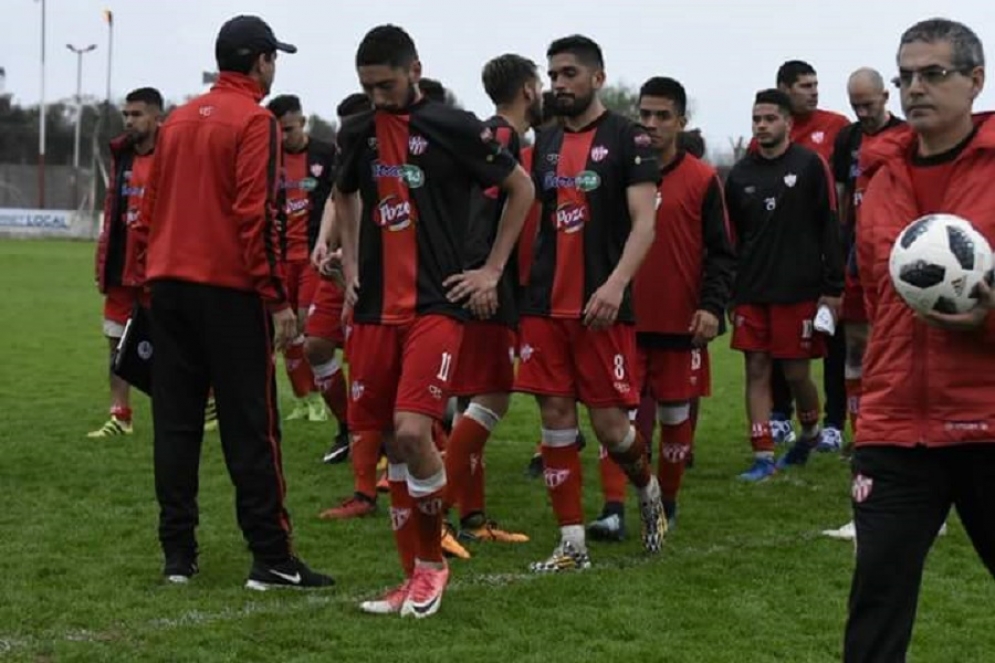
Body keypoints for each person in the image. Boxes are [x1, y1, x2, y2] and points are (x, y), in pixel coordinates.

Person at [334, 25, 533, 618]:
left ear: (414, 70)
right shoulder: (358, 131)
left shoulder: (453, 126)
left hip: (435, 304)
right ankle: (411, 576)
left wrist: (492, 270)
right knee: (392, 442)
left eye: (387, 85)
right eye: (368, 88)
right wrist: (350, 263)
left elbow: (521, 188)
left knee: (414, 431)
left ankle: (432, 566)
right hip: (376, 308)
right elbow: (343, 194)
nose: (378, 97)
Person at [141, 15, 333, 590]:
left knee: (175, 425)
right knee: (252, 426)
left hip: (168, 287)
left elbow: (149, 210)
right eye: (273, 58)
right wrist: (277, 299)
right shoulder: (255, 119)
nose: (274, 69)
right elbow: (257, 214)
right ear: (259, 61)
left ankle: (178, 555)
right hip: (229, 292)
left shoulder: (177, 119)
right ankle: (271, 556)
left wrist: (151, 281)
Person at [845, 18, 995, 661]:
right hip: (895, 427)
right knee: (876, 600)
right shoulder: (881, 177)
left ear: (975, 80)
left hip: (987, 421)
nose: (915, 88)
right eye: (906, 76)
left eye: (933, 74)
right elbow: (878, 298)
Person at [515, 34, 666, 572]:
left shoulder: (630, 139)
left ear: (598, 78)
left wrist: (616, 284)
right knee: (555, 417)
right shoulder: (546, 141)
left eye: (570, 73)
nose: (559, 83)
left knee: (610, 428)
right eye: (553, 74)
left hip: (600, 307)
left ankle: (647, 492)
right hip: (544, 305)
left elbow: (645, 224)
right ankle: (572, 544)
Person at [591, 77, 735, 537]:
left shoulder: (703, 178)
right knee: (616, 419)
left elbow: (722, 252)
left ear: (681, 122)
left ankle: (665, 504)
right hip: (622, 320)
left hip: (679, 323)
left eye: (662, 116)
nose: (651, 124)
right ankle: (613, 508)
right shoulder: (618, 173)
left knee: (675, 417)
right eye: (645, 115)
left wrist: (711, 307)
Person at [441, 53, 543, 546]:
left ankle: (472, 518)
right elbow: (479, 211)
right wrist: (484, 273)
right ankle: (436, 515)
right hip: (483, 282)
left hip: (481, 278)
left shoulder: (498, 135)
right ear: (528, 90)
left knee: (471, 399)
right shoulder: (500, 136)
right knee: (494, 393)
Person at [725, 89, 844, 482]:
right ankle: (762, 455)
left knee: (795, 374)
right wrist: (731, 290)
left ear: (788, 123)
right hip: (752, 290)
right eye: (756, 119)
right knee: (756, 369)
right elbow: (733, 238)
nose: (761, 125)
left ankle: (810, 431)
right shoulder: (740, 174)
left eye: (770, 118)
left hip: (798, 290)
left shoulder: (810, 165)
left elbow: (829, 224)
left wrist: (833, 287)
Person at [769, 60, 851, 452]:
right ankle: (779, 416)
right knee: (778, 341)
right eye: (805, 85)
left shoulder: (837, 127)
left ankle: (834, 424)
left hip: (828, 251)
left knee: (835, 341)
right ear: (784, 89)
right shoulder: (770, 131)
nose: (814, 91)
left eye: (816, 84)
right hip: (783, 259)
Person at [89, 87, 163, 438]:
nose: (130, 121)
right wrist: (102, 259)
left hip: (158, 269)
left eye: (137, 114)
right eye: (126, 115)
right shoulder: (122, 156)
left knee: (172, 345)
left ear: (156, 117)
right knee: (116, 343)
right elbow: (112, 213)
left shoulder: (172, 155)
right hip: (121, 267)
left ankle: (197, 402)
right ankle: (120, 416)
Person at [308, 91, 371, 467]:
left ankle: (380, 441)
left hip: (377, 270)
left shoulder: (392, 154)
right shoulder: (346, 155)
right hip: (340, 264)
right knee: (315, 345)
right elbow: (336, 197)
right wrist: (323, 242)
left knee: (369, 361)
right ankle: (347, 426)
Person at [266, 94, 337, 424]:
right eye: (278, 130)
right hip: (281, 257)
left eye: (289, 129)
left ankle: (320, 398)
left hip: (311, 257)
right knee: (285, 330)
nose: (283, 136)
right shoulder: (270, 158)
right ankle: (303, 398)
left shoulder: (325, 153)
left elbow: (338, 199)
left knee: (307, 325)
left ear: (303, 123)